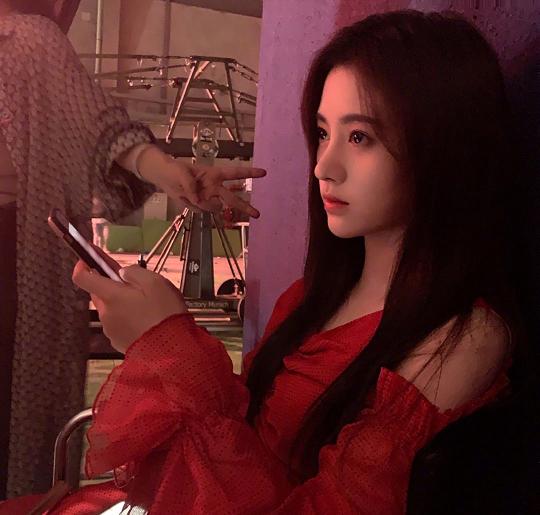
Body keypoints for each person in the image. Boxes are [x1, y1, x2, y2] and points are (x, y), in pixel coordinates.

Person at [0, 8, 532, 514]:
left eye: (360, 137)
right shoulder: (309, 298)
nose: (324, 166)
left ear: (443, 147)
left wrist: (168, 346)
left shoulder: (464, 339)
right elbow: (239, 436)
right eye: (322, 133)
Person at [0, 0, 265, 498]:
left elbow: (102, 128)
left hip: (13, 267)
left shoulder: (27, 41)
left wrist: (171, 172)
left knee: (12, 426)